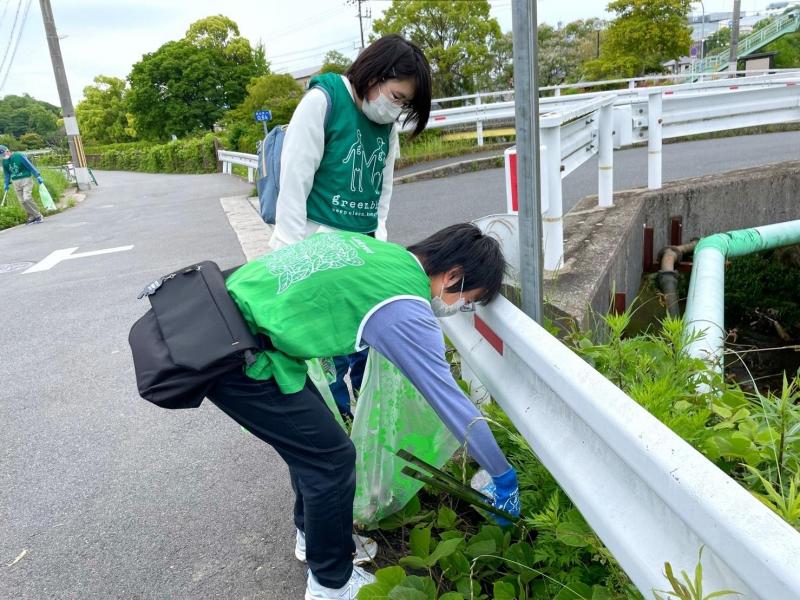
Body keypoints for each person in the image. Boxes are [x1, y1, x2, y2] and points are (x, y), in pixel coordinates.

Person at [208, 223, 520, 600]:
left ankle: (312, 537)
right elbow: (449, 400)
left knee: (313, 446)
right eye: (467, 299)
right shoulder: (404, 304)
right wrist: (502, 475)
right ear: (453, 276)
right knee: (331, 461)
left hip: (219, 313)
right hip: (236, 354)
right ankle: (330, 586)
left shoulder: (381, 254)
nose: (460, 308)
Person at [269, 34, 433, 421]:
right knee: (329, 357)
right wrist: (289, 261)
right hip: (316, 254)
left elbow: (382, 192)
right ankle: (337, 429)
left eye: (405, 104)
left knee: (367, 346)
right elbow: (294, 184)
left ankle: (370, 425)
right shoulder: (324, 101)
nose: (397, 109)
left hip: (361, 256)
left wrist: (379, 247)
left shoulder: (386, 127)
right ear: (375, 75)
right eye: (396, 96)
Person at [1, 144, 45, 224]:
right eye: (1, 156)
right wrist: (6, 184)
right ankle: (32, 216)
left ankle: (38, 215)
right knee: (22, 201)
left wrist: (37, 175)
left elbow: (29, 166)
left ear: (7, 151)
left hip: (26, 179)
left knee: (27, 198)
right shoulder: (4, 161)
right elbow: (7, 174)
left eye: (3, 154)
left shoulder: (19, 155)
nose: (3, 156)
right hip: (15, 182)